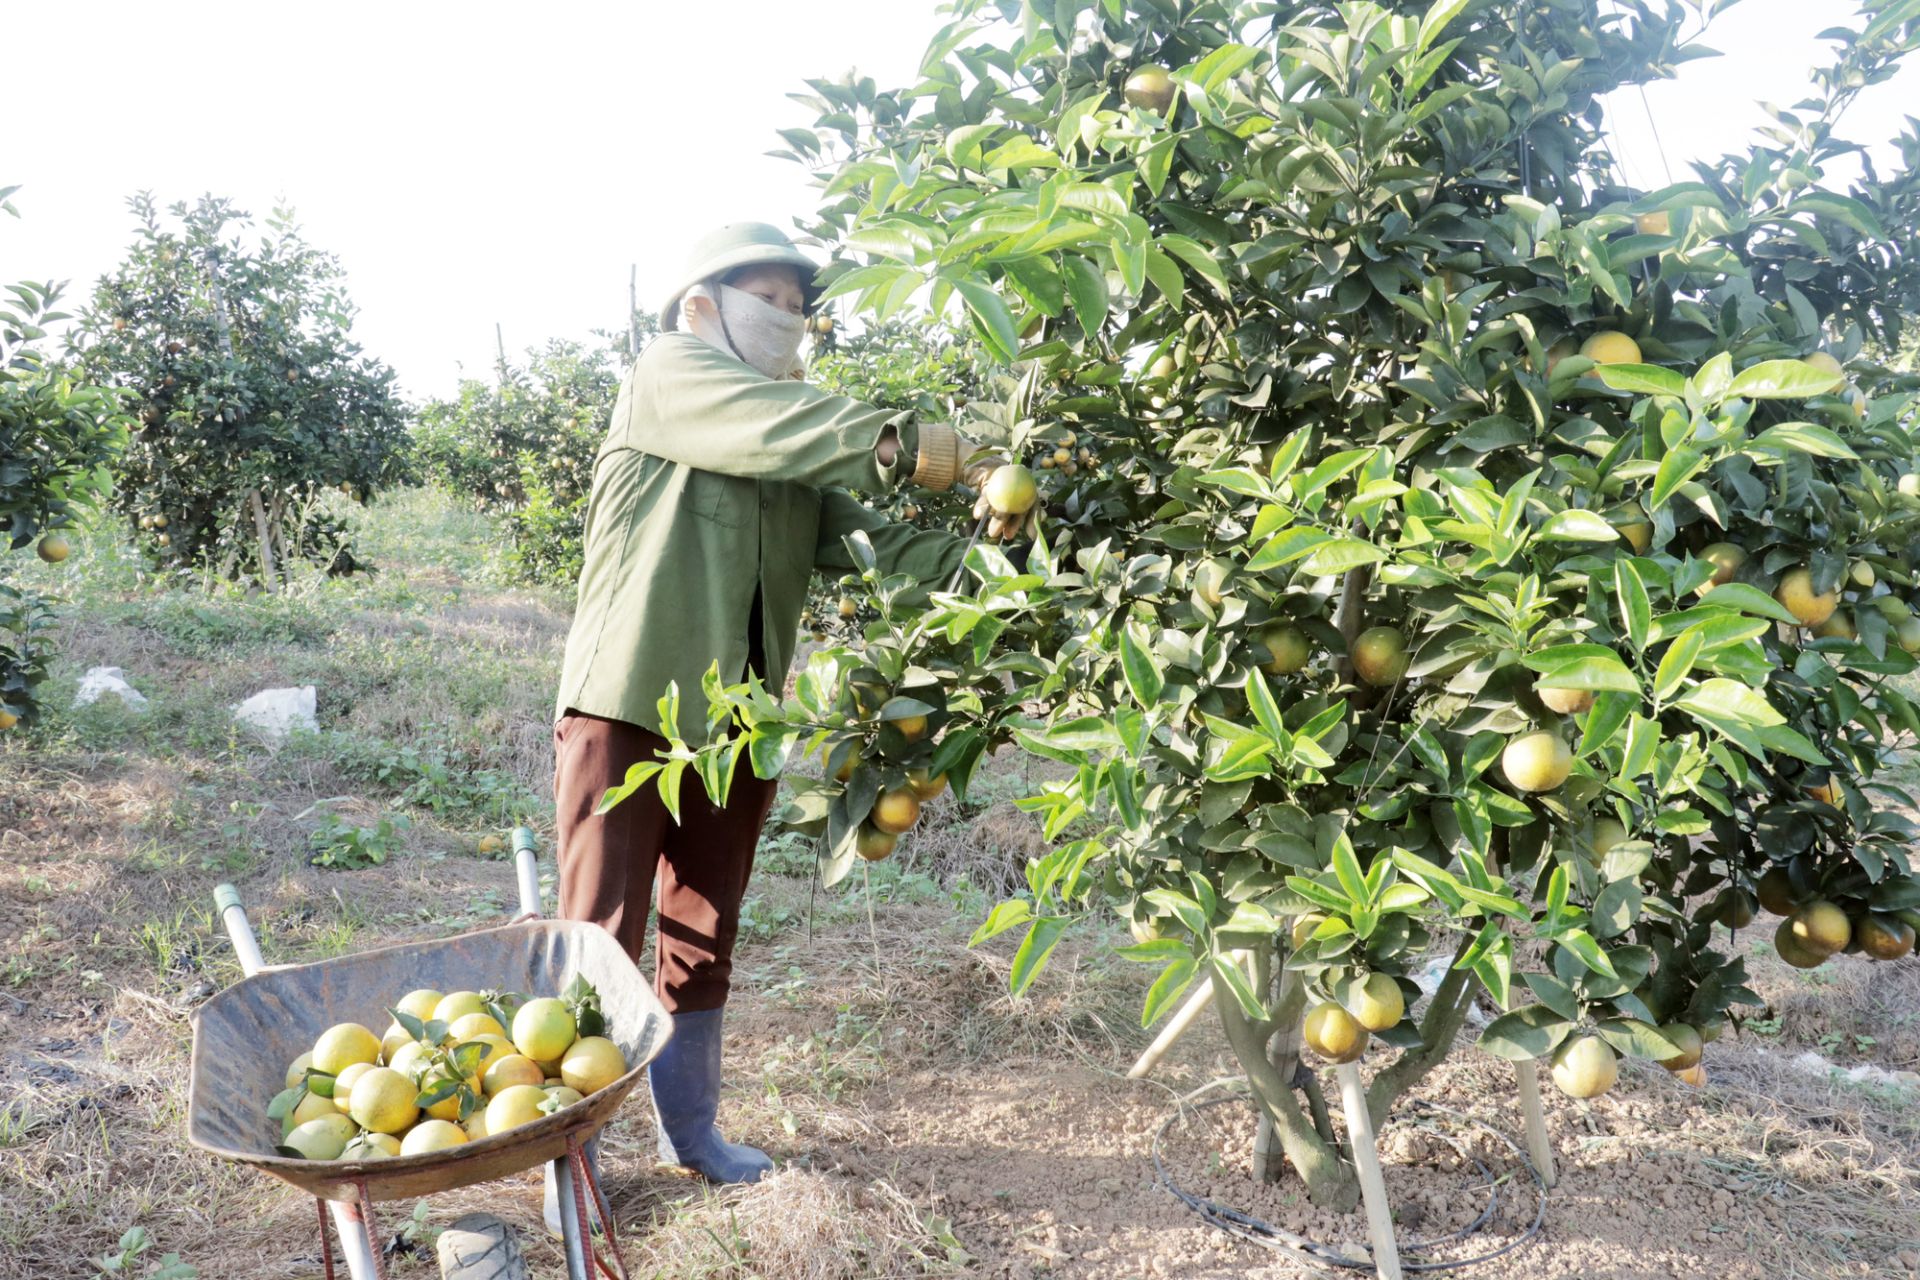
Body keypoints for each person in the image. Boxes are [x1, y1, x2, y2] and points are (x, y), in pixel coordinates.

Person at [549, 222, 1002, 1195]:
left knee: (704, 926)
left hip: (739, 726)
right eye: (772, 300)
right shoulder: (672, 373)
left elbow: (886, 551)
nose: (789, 322)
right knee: (602, 933)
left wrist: (1004, 560)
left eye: (801, 309)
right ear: (704, 303)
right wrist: (914, 444)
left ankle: (696, 1133)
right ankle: (565, 1150)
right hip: (628, 703)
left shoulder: (794, 433)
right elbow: (777, 428)